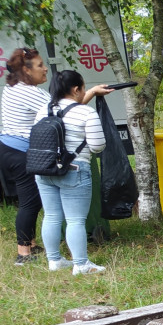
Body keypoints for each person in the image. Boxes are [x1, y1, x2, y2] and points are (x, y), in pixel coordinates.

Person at [34, 70, 112, 275]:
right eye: (84, 88)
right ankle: (81, 264)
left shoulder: (43, 110)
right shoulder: (85, 113)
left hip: (44, 170)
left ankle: (55, 261)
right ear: (77, 89)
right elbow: (97, 146)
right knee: (75, 220)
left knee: (51, 216)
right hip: (74, 169)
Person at [0, 48, 50, 266]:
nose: (45, 68)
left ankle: (31, 243)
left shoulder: (12, 87)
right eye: (39, 65)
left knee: (33, 199)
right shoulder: (30, 92)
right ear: (26, 70)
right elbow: (63, 109)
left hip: (8, 148)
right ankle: (23, 255)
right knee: (29, 202)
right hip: (19, 152)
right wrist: (91, 93)